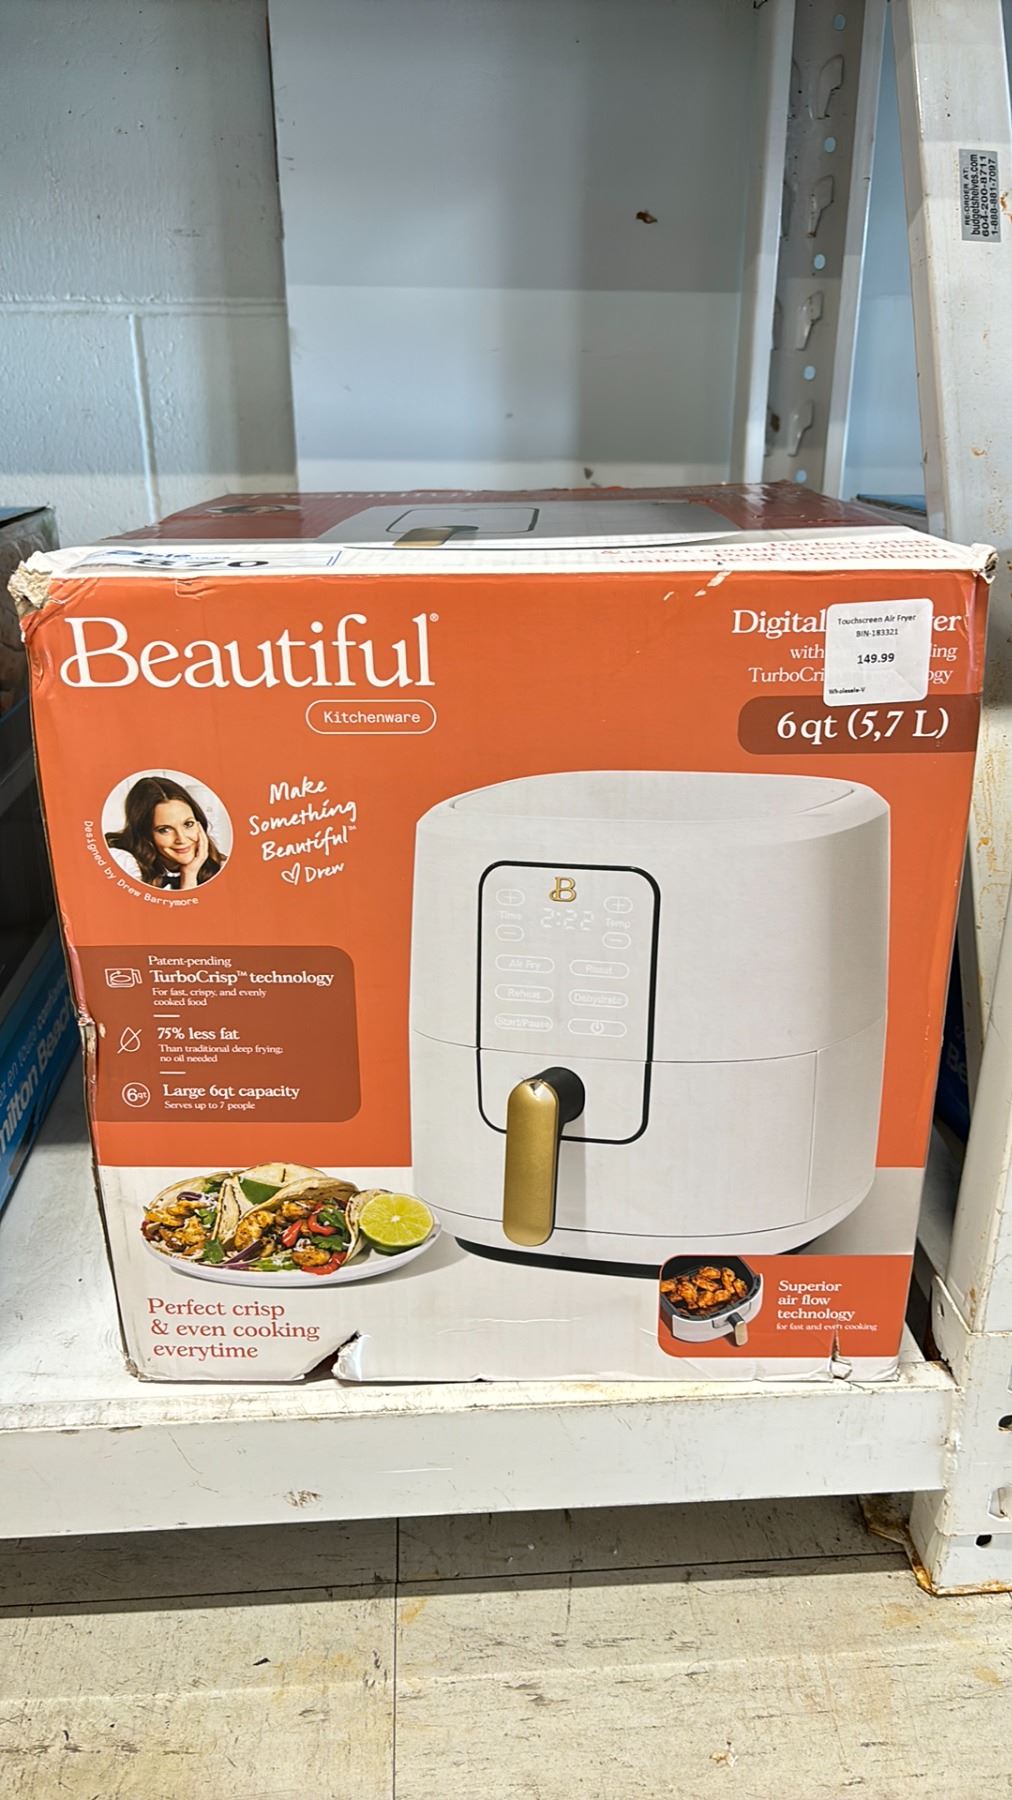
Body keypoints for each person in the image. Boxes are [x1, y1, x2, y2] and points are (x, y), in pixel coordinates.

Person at [105, 776, 226, 891]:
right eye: (164, 830)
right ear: (144, 834)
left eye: (188, 824)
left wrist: (190, 872)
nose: (182, 839)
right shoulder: (123, 864)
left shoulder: (221, 866)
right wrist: (188, 880)